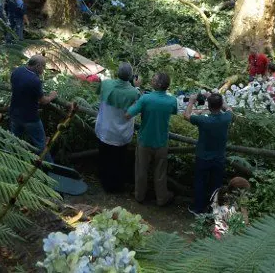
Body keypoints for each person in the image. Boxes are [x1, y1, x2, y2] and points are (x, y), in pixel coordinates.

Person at [126, 72, 178, 206]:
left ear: (158, 84)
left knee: (141, 170)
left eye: (153, 79)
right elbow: (174, 111)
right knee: (160, 172)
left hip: (145, 140)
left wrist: (136, 96)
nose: (151, 80)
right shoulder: (172, 101)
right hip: (161, 141)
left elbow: (128, 114)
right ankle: (161, 198)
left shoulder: (145, 99)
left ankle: (139, 195)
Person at [184, 93, 233, 214]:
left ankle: (198, 208)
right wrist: (220, 101)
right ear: (220, 105)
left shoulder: (203, 120)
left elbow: (186, 116)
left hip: (203, 157)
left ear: (209, 106)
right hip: (219, 157)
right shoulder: (226, 118)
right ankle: (213, 209)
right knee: (216, 185)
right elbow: (229, 109)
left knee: (200, 182)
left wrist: (191, 101)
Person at [95, 63, 140, 193]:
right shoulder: (134, 92)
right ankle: (115, 186)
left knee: (104, 157)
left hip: (103, 128)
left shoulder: (106, 84)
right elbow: (135, 109)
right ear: (131, 76)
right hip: (121, 134)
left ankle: (104, 182)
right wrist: (136, 87)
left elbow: (99, 94)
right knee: (118, 161)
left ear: (117, 73)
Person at [9, 55, 57, 162]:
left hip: (14, 114)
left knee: (14, 141)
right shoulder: (34, 80)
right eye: (43, 67)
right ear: (38, 65)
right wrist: (52, 96)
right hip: (30, 118)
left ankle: (9, 161)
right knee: (41, 144)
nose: (43, 70)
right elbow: (43, 101)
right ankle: (51, 168)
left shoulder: (17, 71)